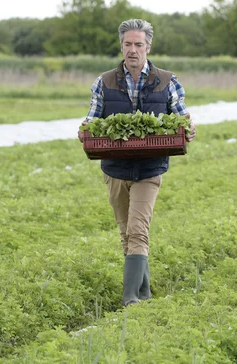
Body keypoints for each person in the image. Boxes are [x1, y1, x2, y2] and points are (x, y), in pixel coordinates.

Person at [77, 18, 196, 307]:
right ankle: (144, 293)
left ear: (148, 46)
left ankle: (130, 298)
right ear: (121, 46)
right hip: (115, 168)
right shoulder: (103, 82)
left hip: (149, 167)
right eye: (128, 44)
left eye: (138, 44)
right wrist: (85, 128)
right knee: (125, 233)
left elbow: (181, 117)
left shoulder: (167, 81)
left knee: (138, 230)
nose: (133, 50)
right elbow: (93, 117)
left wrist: (188, 128)